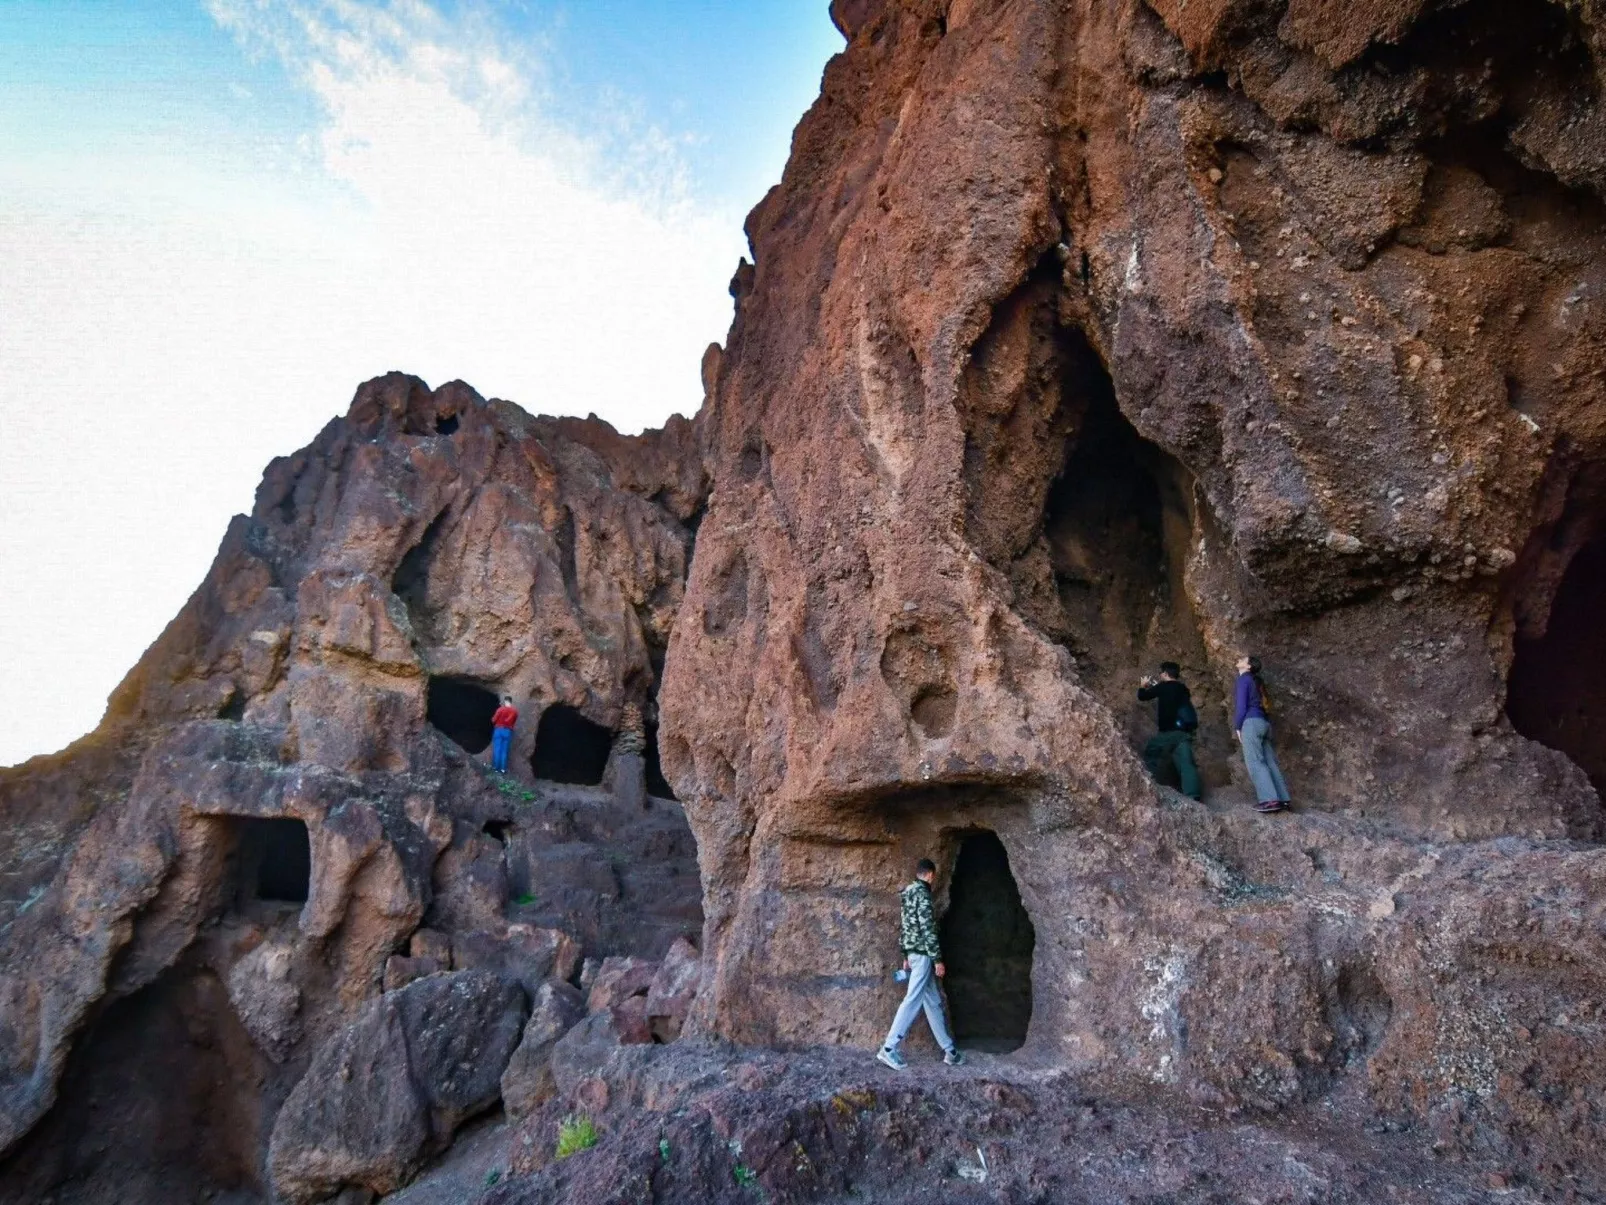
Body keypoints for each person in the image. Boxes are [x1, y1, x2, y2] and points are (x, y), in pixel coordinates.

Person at [878, 858, 964, 1070]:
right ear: (930, 875)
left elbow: (906, 926)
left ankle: (950, 1051)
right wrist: (937, 960)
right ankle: (888, 1049)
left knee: (932, 1002)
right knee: (912, 999)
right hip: (924, 955)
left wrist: (906, 953)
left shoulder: (907, 893)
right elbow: (927, 930)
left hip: (914, 954)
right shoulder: (923, 895)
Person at [1137, 661, 1202, 800]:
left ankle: (1146, 787)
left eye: (1161, 673)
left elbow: (1142, 697)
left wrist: (1143, 686)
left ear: (1165, 674)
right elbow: (1171, 696)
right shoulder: (1183, 688)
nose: (1160, 675)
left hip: (1168, 732)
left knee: (1151, 752)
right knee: (1186, 763)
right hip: (1184, 732)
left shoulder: (1162, 687)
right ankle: (1193, 795)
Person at [1234, 655, 1290, 813]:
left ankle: (1270, 800)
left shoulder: (1243, 679)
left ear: (1248, 666)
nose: (1239, 659)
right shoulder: (1256, 681)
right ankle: (1283, 799)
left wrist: (1238, 726)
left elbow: (1241, 706)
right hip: (1264, 722)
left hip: (1251, 723)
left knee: (1255, 761)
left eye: (1243, 659)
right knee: (1270, 761)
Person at [490, 694, 519, 774]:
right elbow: (513, 722)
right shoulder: (515, 711)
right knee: (504, 750)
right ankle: (503, 769)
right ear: (511, 702)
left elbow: (493, 720)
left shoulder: (500, 709)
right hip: (508, 731)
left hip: (499, 730)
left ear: (505, 701)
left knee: (497, 749)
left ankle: (495, 768)